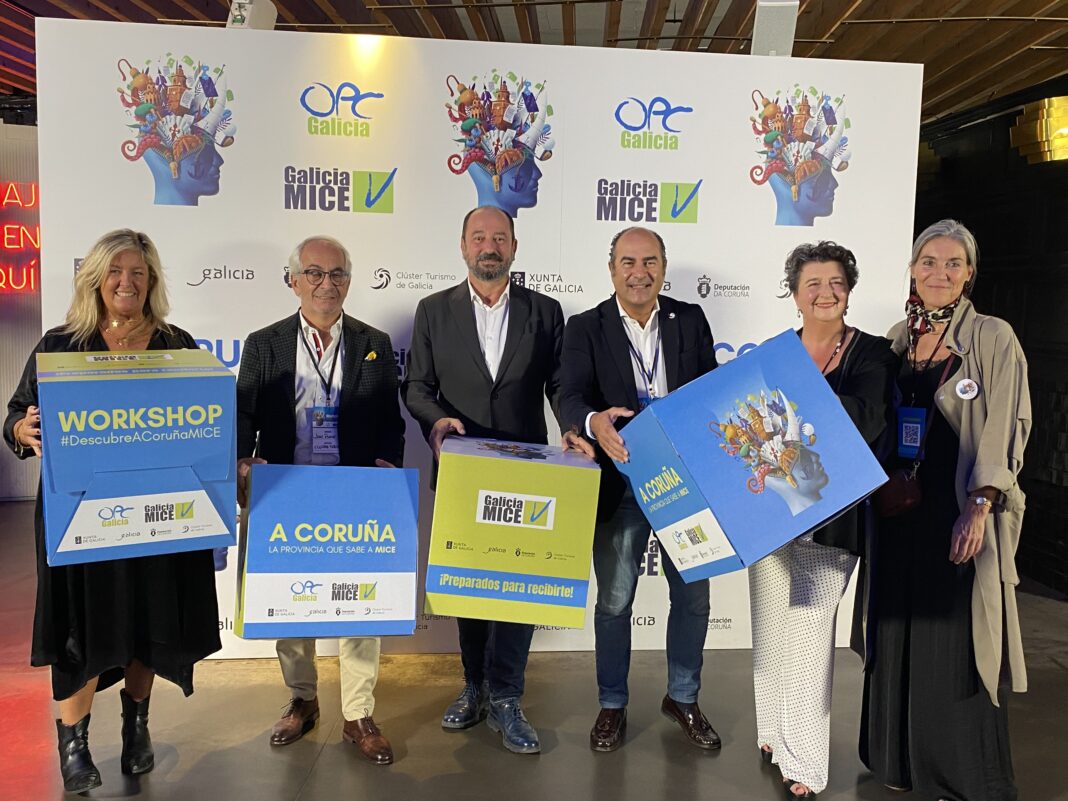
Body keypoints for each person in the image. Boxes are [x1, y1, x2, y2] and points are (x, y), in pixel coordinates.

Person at [3, 229, 221, 793]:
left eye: (139, 273)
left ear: (152, 282)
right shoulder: (60, 345)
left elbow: (204, 422)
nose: (128, 282)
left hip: (157, 513)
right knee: (80, 627)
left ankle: (136, 727)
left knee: (149, 619)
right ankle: (73, 745)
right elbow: (16, 417)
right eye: (117, 272)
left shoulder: (177, 343)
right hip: (81, 518)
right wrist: (23, 429)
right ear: (96, 278)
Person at [860, 219, 1030, 801]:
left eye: (953, 263)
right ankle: (898, 759)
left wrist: (980, 505)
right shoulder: (897, 338)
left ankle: (956, 773)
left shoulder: (992, 337)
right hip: (897, 511)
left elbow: (1004, 425)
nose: (940, 272)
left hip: (955, 511)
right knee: (898, 629)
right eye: (929, 262)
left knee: (953, 639)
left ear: (969, 274)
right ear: (912, 270)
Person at [236, 235, 404, 764]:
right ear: (294, 281)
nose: (325, 284)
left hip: (354, 490)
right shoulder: (263, 344)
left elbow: (390, 421)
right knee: (288, 603)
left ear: (348, 282)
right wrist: (241, 461)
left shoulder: (374, 342)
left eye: (336, 274)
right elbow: (243, 414)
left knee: (362, 604)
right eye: (314, 273)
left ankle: (358, 713)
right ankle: (303, 699)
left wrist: (387, 465)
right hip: (285, 490)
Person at [402, 205, 564, 754]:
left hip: (528, 474)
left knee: (517, 590)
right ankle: (473, 687)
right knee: (468, 586)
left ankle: (508, 697)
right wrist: (436, 421)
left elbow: (561, 386)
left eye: (499, 237)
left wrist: (574, 428)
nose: (488, 246)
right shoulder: (433, 310)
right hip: (462, 470)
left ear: (514, 246)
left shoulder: (546, 311)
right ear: (463, 245)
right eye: (478, 237)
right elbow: (416, 386)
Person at [558, 226, 720, 753]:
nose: (639, 272)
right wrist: (592, 421)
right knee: (614, 601)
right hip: (621, 480)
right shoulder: (586, 327)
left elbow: (711, 391)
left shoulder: (689, 319)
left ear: (663, 268)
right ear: (612, 270)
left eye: (650, 261)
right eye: (628, 262)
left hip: (684, 483)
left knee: (693, 597)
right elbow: (568, 392)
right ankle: (612, 703)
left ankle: (684, 697)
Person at [749, 242, 895, 799]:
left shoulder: (873, 354)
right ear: (794, 293)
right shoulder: (774, 353)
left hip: (833, 515)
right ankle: (772, 732)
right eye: (813, 283)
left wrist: (789, 414)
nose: (825, 293)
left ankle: (805, 763)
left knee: (809, 630)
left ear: (849, 290)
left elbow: (867, 418)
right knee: (771, 625)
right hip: (769, 514)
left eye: (836, 282)